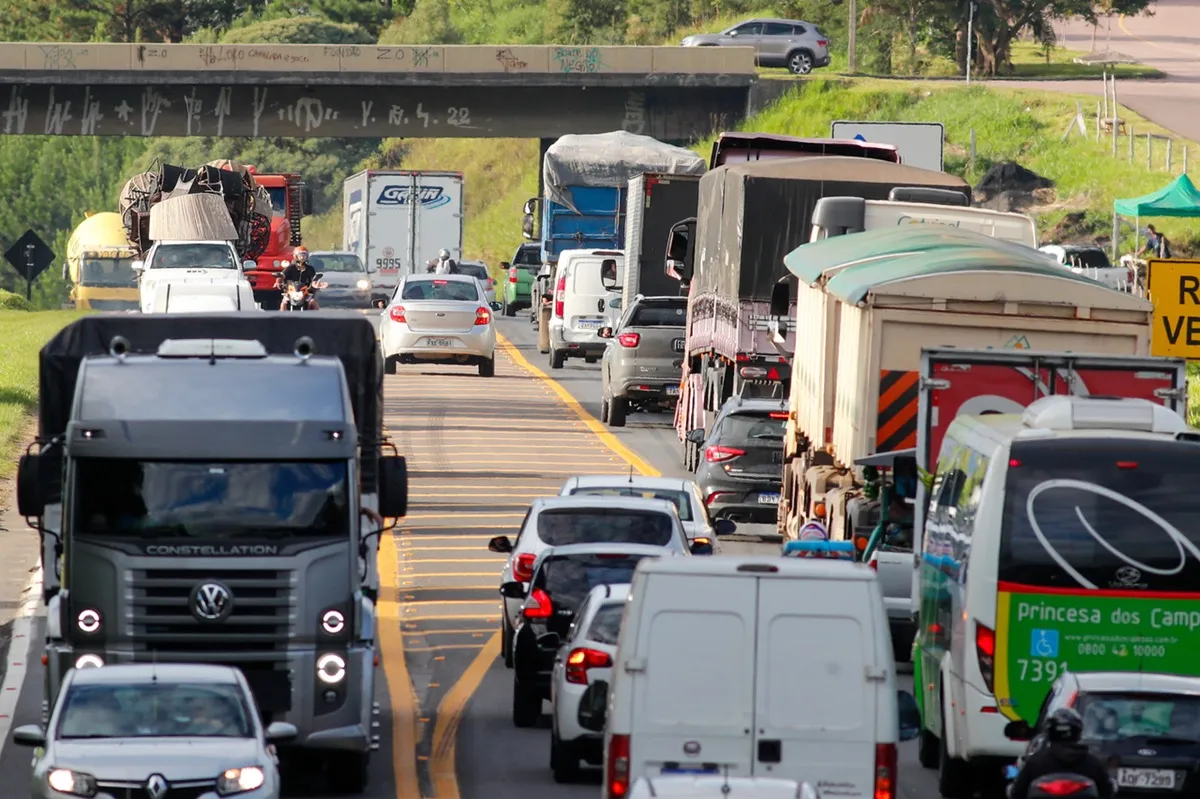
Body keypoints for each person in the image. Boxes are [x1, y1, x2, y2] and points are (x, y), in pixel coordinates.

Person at [1010, 708, 1113, 799]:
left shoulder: (1035, 763)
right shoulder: (1093, 764)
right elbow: (1107, 792)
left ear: (1049, 733)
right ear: (1078, 732)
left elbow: (1017, 793)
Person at [278, 246, 319, 310]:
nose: (302, 257)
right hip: (291, 292)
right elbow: (282, 275)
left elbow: (314, 279)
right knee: (284, 303)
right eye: (301, 255)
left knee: (313, 303)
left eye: (304, 255)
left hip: (305, 292)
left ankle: (314, 318)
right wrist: (279, 281)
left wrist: (315, 285)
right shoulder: (290, 267)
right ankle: (281, 318)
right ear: (296, 256)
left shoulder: (310, 269)